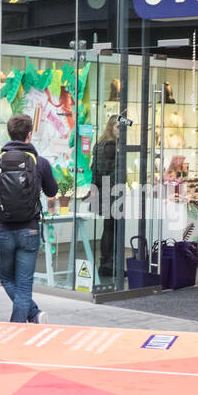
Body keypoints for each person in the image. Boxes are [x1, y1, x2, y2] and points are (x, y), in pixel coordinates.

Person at [0, 113, 58, 323]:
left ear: (9, 133)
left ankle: (20, 325)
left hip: (3, 229)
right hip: (30, 229)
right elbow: (53, 189)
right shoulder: (39, 162)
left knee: (6, 278)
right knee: (24, 284)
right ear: (29, 135)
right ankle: (32, 315)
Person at [92, 114, 120, 279]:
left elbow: (95, 170)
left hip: (103, 189)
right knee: (112, 228)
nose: (120, 131)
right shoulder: (111, 146)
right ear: (111, 127)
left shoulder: (100, 143)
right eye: (118, 127)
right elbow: (113, 171)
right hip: (111, 190)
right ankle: (108, 265)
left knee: (108, 227)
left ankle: (106, 263)